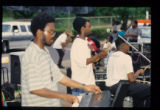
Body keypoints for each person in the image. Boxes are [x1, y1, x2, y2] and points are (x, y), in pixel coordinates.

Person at [21, 13, 102, 107]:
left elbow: (59, 76)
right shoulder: (32, 54)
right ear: (39, 32)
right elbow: (35, 89)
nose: (53, 35)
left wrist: (85, 87)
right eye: (50, 32)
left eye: (54, 32)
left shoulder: (44, 52)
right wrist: (63, 96)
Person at [105, 37, 150, 107]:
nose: (129, 46)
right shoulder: (126, 57)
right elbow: (131, 79)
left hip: (111, 87)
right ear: (123, 45)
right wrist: (138, 72)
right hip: (121, 86)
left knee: (139, 92)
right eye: (128, 44)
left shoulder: (111, 56)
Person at [70, 17, 107, 96]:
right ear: (83, 28)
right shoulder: (77, 44)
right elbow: (84, 62)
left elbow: (92, 58)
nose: (91, 28)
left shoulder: (87, 41)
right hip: (81, 86)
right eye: (89, 26)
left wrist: (100, 56)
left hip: (89, 84)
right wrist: (99, 56)